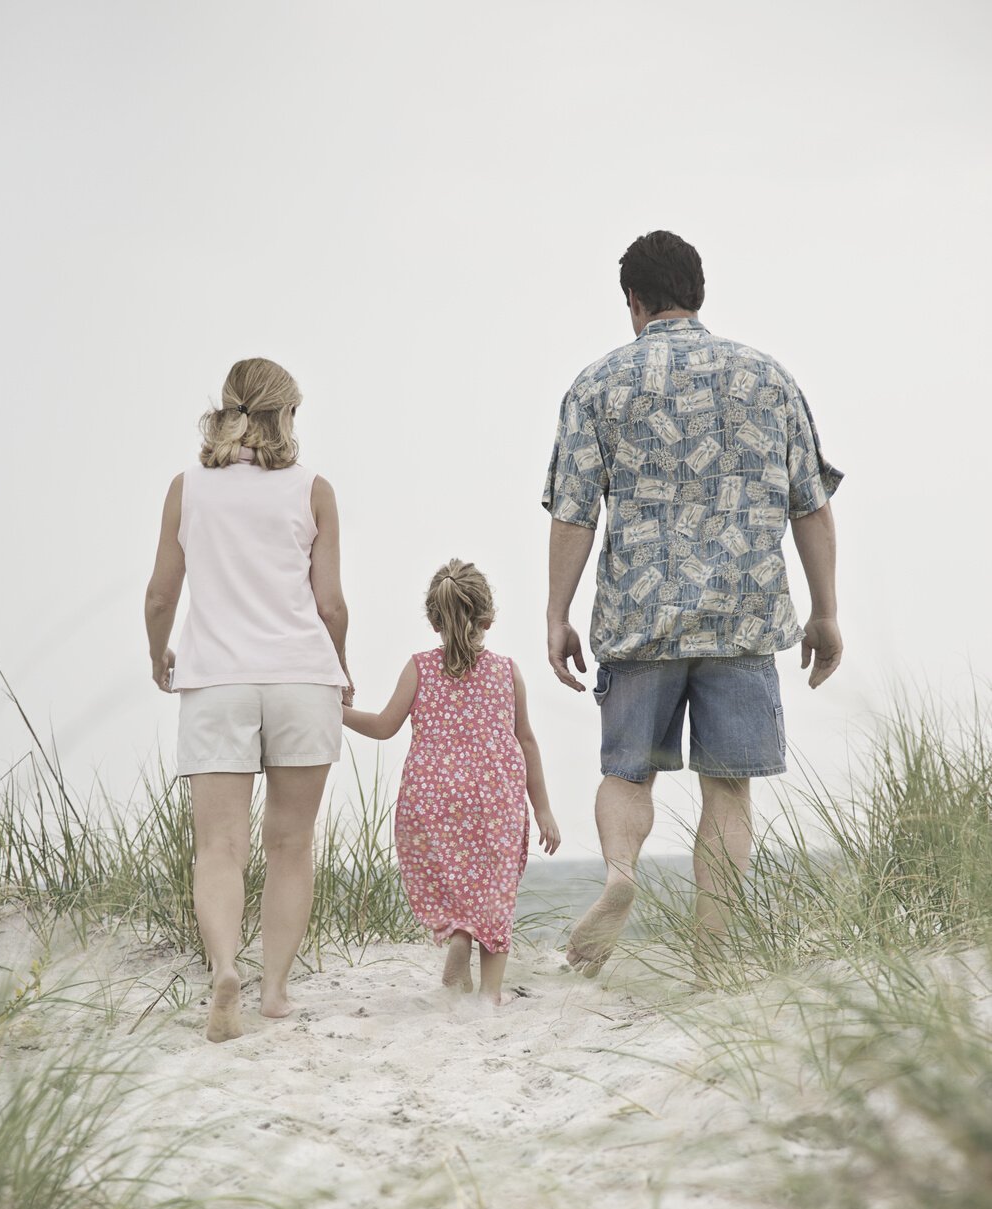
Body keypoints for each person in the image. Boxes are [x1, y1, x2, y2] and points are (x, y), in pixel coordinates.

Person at [543, 229, 843, 978]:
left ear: (633, 303)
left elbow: (573, 513)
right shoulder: (766, 378)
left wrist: (558, 614)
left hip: (639, 622)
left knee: (626, 773)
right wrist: (824, 610)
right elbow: (810, 506)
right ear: (697, 291)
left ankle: (618, 872)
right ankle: (712, 956)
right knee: (727, 789)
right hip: (741, 619)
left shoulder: (598, 383)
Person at [144, 357, 352, 1042]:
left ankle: (225, 967)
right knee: (290, 845)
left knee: (219, 848)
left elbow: (160, 595)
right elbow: (329, 602)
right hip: (300, 678)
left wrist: (159, 653)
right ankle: (274, 992)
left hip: (217, 681)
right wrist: (340, 667)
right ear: (284, 414)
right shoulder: (312, 489)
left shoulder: (188, 489)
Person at [341, 560, 560, 1004]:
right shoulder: (506, 671)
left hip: (433, 797)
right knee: (493, 893)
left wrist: (335, 711)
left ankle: (459, 939)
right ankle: (490, 997)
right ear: (488, 620)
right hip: (494, 797)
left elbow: (384, 725)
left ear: (433, 620)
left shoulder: (420, 668)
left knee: (455, 881)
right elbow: (527, 742)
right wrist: (543, 809)